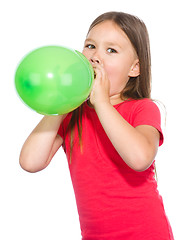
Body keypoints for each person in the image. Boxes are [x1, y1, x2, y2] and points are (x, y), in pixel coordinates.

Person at [19, 11, 174, 240]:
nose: (95, 56)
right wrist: (62, 102)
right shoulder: (72, 115)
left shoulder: (143, 108)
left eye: (111, 50)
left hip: (147, 233)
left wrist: (101, 102)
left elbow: (140, 158)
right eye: (90, 46)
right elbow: (30, 162)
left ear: (134, 68)